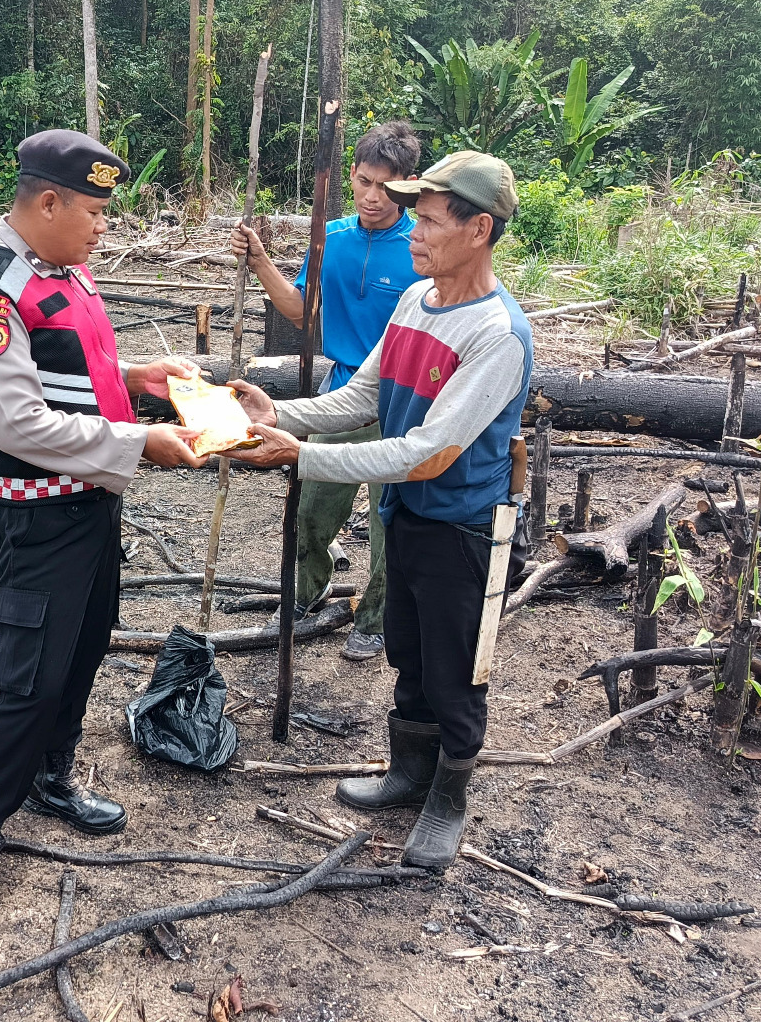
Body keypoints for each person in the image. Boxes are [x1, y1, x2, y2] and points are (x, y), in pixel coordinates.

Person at [227, 150, 532, 869]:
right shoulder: (416, 301)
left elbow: (428, 454)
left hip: (464, 527)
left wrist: (301, 457)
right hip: (407, 515)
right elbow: (363, 397)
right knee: (410, 650)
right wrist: (282, 414)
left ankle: (447, 801)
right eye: (416, 219)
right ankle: (408, 773)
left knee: (456, 670)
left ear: (479, 229)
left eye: (429, 222)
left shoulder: (496, 335)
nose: (413, 234)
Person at [0, 128, 206, 933]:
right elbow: (17, 420)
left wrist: (137, 378)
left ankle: (51, 777)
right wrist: (139, 442)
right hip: (38, 517)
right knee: (30, 680)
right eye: (93, 212)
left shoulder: (66, 272)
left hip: (91, 507)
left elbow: (70, 370)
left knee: (83, 650)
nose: (102, 227)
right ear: (47, 203)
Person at [228, 120, 422, 661]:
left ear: (409, 185)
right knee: (312, 509)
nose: (372, 196)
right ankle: (304, 593)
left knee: (388, 520)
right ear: (351, 176)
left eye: (386, 186)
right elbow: (301, 311)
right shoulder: (330, 239)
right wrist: (260, 260)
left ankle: (375, 618)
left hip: (399, 403)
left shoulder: (420, 247)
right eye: (364, 182)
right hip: (340, 395)